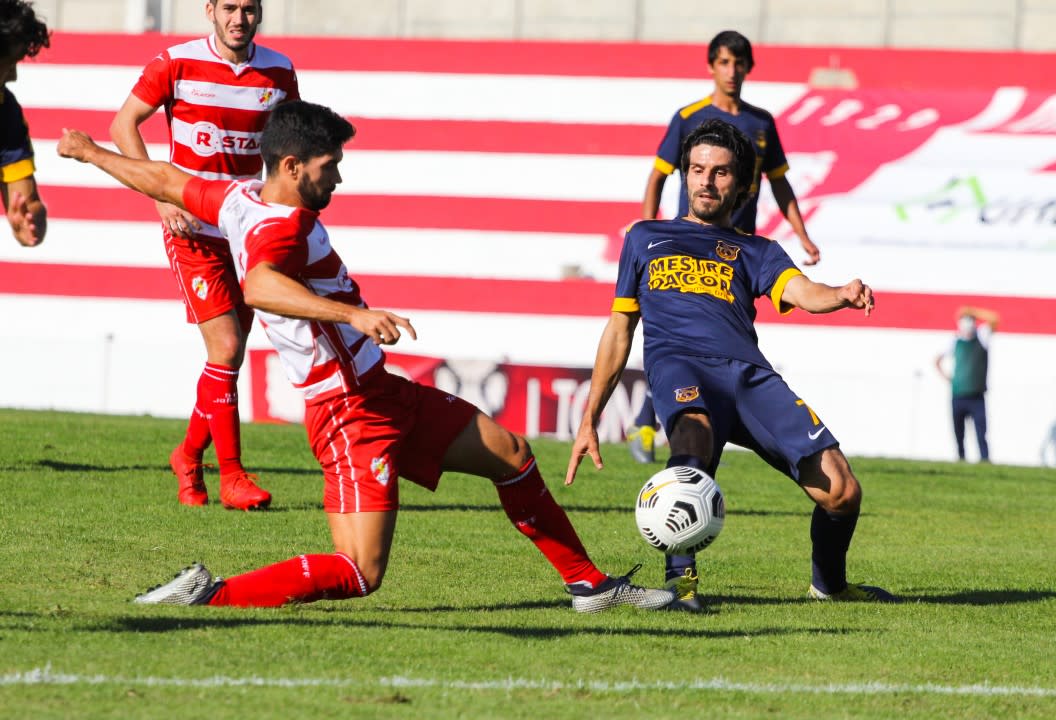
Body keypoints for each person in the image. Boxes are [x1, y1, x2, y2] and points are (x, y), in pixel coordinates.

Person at [57, 100, 676, 614]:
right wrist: (355, 314)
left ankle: (590, 586)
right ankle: (209, 595)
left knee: (512, 454)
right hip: (348, 412)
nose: (340, 178)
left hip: (382, 391)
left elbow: (165, 179)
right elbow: (260, 287)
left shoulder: (240, 198)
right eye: (332, 166)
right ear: (294, 166)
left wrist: (91, 153)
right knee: (359, 572)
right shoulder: (284, 227)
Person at [566, 118, 897, 611]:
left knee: (842, 492)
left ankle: (830, 585)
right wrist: (590, 415)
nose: (705, 180)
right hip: (680, 366)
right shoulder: (645, 237)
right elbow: (619, 330)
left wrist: (840, 293)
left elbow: (801, 291)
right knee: (692, 441)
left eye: (720, 173)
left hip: (747, 377)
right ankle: (683, 588)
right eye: (697, 169)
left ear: (742, 186)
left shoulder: (756, 250)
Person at [109, 0, 299, 510]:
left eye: (250, 9)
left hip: (246, 232)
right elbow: (123, 125)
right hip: (191, 227)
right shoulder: (175, 62)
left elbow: (287, 151)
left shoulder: (279, 71)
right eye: (230, 8)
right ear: (210, 10)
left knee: (225, 361)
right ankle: (232, 477)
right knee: (228, 347)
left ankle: (188, 456)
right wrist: (159, 197)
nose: (240, 18)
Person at [626, 30, 821, 464]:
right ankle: (650, 421)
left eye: (739, 63)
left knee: (724, 341)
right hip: (685, 246)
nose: (732, 72)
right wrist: (649, 226)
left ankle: (662, 420)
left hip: (738, 254)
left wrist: (802, 234)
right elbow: (658, 175)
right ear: (711, 66)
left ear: (749, 68)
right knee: (675, 334)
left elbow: (781, 182)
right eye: (724, 63)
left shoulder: (762, 123)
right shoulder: (688, 116)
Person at [0, 0, 48, 247]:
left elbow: (27, 202)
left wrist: (31, 221)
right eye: (8, 66)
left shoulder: (6, 114)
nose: (14, 77)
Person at [935, 306, 999, 463]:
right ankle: (961, 460)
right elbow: (937, 360)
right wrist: (948, 378)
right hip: (958, 394)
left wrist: (972, 311)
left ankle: (985, 461)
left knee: (981, 432)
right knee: (959, 433)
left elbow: (995, 320)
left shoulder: (982, 337)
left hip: (976, 395)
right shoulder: (954, 341)